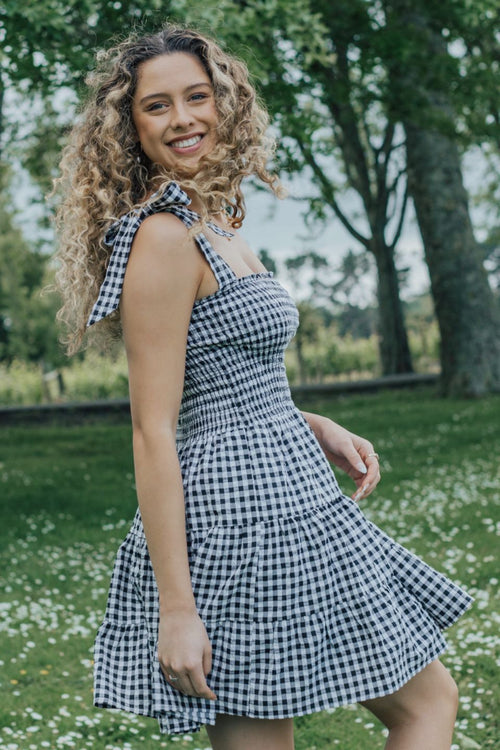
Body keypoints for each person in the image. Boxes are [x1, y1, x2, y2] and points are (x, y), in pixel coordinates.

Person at [54, 24, 472, 750]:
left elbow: (221, 380)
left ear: (226, 103)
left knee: (427, 700)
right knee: (383, 712)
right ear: (130, 127)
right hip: (233, 521)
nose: (183, 118)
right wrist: (177, 610)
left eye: (197, 96)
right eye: (157, 106)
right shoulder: (163, 238)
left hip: (293, 494)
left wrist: (309, 423)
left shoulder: (214, 220)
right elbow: (155, 428)